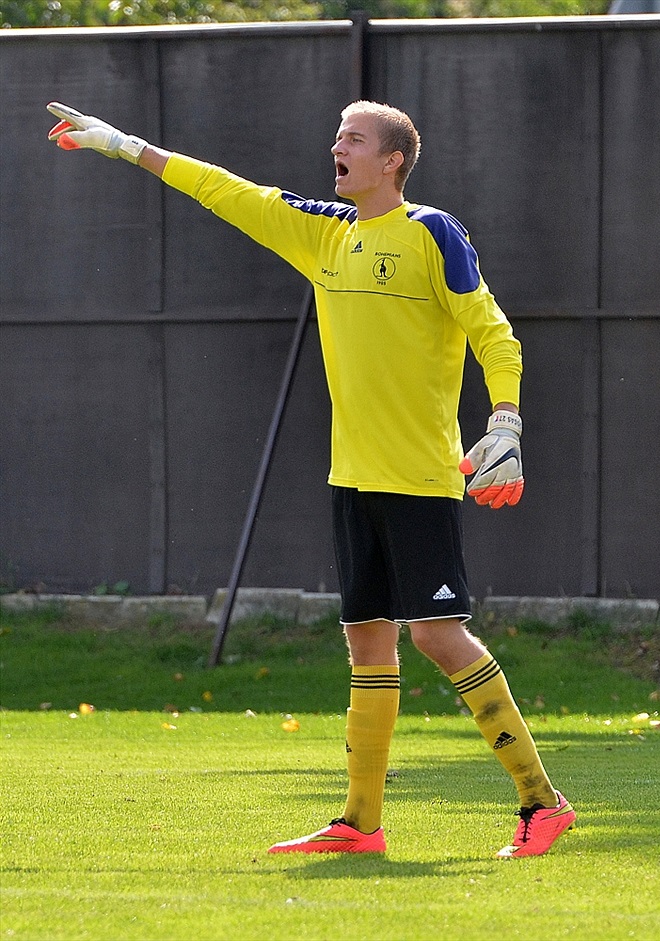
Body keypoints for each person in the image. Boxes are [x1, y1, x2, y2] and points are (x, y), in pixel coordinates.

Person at [47, 99, 576, 858]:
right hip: (351, 476)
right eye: (337, 136)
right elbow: (225, 189)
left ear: (392, 160)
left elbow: (493, 333)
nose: (338, 147)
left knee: (436, 634)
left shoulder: (432, 231)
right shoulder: (323, 231)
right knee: (367, 643)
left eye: (353, 139)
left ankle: (542, 802)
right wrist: (124, 145)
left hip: (421, 478)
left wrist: (506, 422)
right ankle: (361, 824)